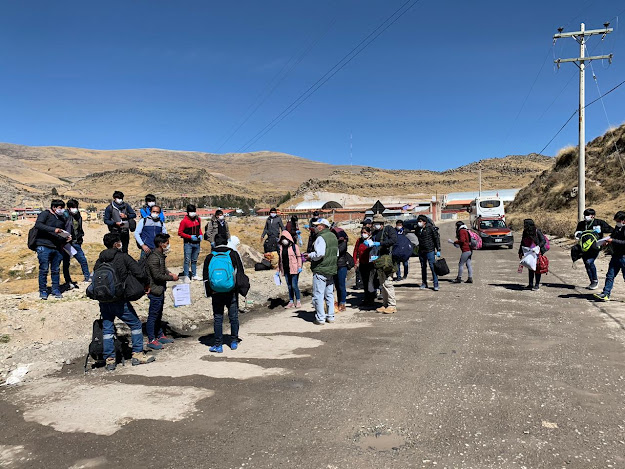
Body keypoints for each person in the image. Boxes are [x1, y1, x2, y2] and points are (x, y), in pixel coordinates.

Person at [93, 233, 155, 370]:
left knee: (108, 329)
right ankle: (137, 354)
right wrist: (146, 284)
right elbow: (139, 272)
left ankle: (110, 360)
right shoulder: (122, 257)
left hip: (104, 300)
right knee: (135, 324)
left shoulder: (100, 260)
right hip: (120, 300)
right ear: (116, 244)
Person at [203, 233, 250, 353]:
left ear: (215, 243)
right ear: (227, 242)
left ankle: (218, 345)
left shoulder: (209, 257)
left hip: (216, 292)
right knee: (233, 317)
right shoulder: (233, 254)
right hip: (231, 290)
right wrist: (241, 289)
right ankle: (233, 341)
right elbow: (240, 272)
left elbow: (206, 277)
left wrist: (209, 292)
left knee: (218, 318)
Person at [145, 233, 178, 350]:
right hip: (155, 290)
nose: (168, 245)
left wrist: (168, 272)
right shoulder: (154, 257)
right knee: (153, 315)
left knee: (158, 314)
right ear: (160, 244)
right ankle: (151, 339)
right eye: (166, 243)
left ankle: (159, 335)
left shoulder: (159, 255)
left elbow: (162, 269)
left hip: (160, 289)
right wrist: (171, 278)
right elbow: (157, 276)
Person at [35, 199, 71, 300]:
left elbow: (62, 231)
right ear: (54, 207)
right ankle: (43, 290)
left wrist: (66, 237)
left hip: (57, 247)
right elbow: (38, 225)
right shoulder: (45, 214)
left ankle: (56, 289)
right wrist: (53, 229)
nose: (62, 210)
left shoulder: (61, 218)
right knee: (44, 269)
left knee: (56, 270)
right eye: (60, 208)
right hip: (44, 245)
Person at [305, 218, 338, 325]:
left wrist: (309, 255)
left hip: (321, 269)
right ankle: (331, 316)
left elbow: (320, 254)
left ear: (322, 226)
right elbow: (336, 253)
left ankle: (320, 318)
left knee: (318, 295)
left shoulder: (321, 237)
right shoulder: (333, 236)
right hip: (331, 268)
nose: (315, 228)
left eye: (316, 225)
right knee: (329, 294)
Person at [575, 208, 613, 290]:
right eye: (584, 215)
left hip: (595, 246)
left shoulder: (599, 222)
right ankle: (592, 281)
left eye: (587, 215)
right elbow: (577, 233)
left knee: (590, 262)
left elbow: (611, 230)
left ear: (593, 216)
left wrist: (600, 230)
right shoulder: (581, 224)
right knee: (586, 263)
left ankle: (595, 281)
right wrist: (579, 234)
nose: (585, 217)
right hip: (584, 247)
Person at [367, 214, 398, 314]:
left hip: (388, 261)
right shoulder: (375, 233)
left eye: (377, 223)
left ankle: (392, 305)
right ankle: (385, 304)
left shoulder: (389, 230)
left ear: (381, 223)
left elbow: (393, 240)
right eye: (374, 223)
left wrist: (380, 244)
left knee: (388, 283)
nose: (375, 225)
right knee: (382, 284)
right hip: (379, 261)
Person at [594, 211, 625, 301]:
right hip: (615, 255)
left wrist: (613, 240)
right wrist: (607, 240)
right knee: (610, 275)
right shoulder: (617, 228)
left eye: (618, 221)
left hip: (623, 256)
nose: (617, 223)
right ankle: (606, 293)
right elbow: (613, 235)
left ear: (623, 220)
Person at [61, 199, 91, 289]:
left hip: (76, 242)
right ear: (69, 208)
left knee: (82, 260)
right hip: (66, 243)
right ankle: (68, 281)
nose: (75, 209)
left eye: (76, 207)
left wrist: (80, 237)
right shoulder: (65, 215)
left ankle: (87, 277)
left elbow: (79, 228)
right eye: (73, 207)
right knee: (66, 263)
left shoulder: (78, 216)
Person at [518, 218, 547, 291]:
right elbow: (522, 242)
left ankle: (537, 285)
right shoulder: (525, 232)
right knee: (530, 267)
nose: (524, 226)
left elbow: (543, 241)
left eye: (525, 224)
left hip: (537, 252)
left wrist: (538, 247)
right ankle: (530, 284)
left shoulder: (537, 231)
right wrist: (520, 252)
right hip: (528, 252)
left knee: (537, 268)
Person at [415, 214, 441, 291]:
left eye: (420, 221)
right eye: (418, 221)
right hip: (421, 250)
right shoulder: (418, 229)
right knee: (423, 267)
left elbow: (436, 239)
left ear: (424, 222)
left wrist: (438, 249)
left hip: (430, 250)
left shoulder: (431, 228)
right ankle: (424, 283)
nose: (419, 223)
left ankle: (436, 284)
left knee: (432, 267)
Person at [277, 230, 303, 308]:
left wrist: (299, 267)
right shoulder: (281, 248)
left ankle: (298, 301)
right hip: (285, 269)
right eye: (282, 238)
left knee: (294, 285)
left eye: (285, 238)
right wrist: (278, 270)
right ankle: (291, 301)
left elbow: (299, 257)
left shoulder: (294, 247)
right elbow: (280, 260)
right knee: (289, 286)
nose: (284, 240)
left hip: (294, 269)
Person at [177, 204, 203, 281]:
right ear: (188, 212)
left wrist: (201, 235)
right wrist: (190, 236)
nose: (193, 213)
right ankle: (186, 276)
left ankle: (194, 275)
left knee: (194, 260)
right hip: (188, 243)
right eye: (191, 211)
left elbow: (199, 229)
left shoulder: (198, 219)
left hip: (197, 243)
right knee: (187, 260)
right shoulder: (184, 221)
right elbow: (180, 232)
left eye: (194, 211)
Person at [354, 226, 374, 306]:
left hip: (370, 264)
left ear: (369, 233)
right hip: (362, 264)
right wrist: (355, 261)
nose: (363, 234)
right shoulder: (359, 241)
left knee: (370, 282)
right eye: (362, 232)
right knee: (365, 282)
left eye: (365, 232)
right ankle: (366, 298)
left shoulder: (372, 241)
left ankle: (371, 298)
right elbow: (355, 251)